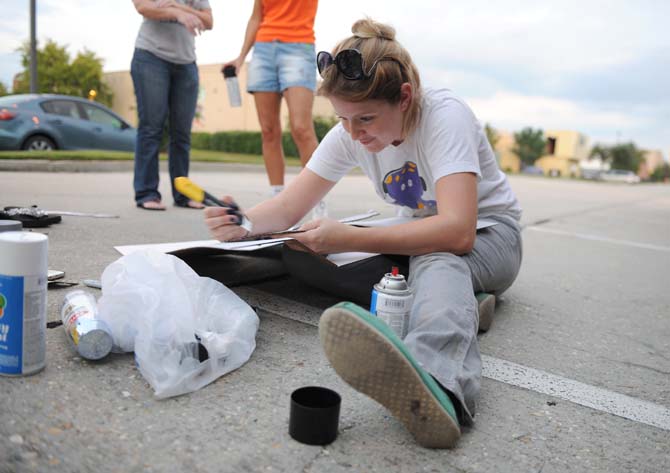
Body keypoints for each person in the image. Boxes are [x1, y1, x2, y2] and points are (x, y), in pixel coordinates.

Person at [204, 18, 523, 448]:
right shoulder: (351, 131)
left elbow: (457, 231)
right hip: (424, 230)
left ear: (405, 97)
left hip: (492, 234)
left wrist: (350, 238)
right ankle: (462, 302)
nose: (354, 133)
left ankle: (441, 387)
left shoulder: (444, 116)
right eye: (342, 118)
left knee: (435, 256)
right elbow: (287, 207)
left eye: (366, 118)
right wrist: (240, 223)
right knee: (304, 249)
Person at [223, 0, 325, 215]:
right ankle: (278, 199)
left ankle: (316, 200)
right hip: (263, 51)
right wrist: (241, 58)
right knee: (269, 131)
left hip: (298, 47)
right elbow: (256, 18)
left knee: (301, 129)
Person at [131, 0, 213, 210]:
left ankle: (183, 194)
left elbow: (208, 21)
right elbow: (143, 7)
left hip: (186, 63)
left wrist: (178, 8)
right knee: (151, 128)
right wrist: (178, 13)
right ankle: (147, 193)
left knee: (182, 133)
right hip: (151, 57)